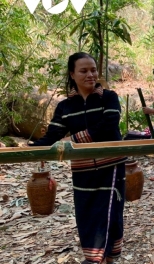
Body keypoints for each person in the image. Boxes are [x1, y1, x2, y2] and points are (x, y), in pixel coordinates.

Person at [29, 52, 127, 264]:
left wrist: (72, 139)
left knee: (107, 211)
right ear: (72, 74)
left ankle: (98, 259)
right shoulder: (65, 107)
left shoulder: (108, 97)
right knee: (87, 212)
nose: (91, 74)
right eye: (83, 71)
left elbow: (108, 126)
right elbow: (52, 136)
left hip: (111, 165)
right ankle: (95, 257)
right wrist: (26, 148)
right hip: (82, 168)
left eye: (93, 70)